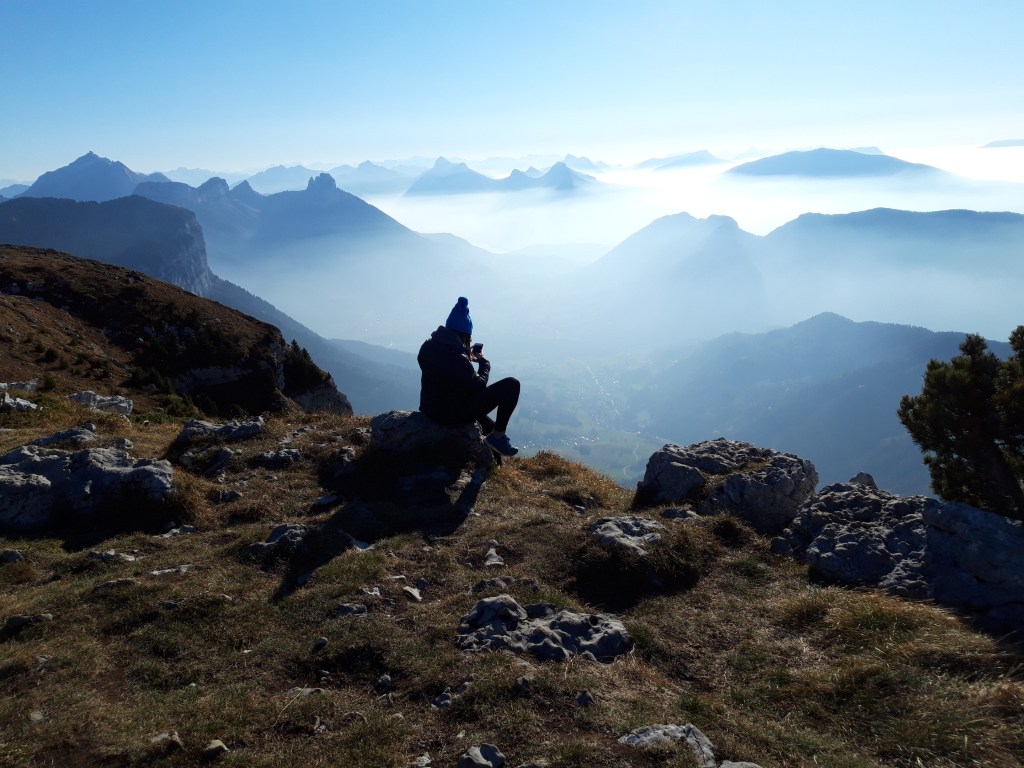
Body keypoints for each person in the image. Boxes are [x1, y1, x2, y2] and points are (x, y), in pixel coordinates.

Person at [418, 296, 521, 456]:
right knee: (512, 385)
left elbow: (448, 375)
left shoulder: (428, 347)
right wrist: (483, 363)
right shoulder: (457, 357)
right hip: (449, 414)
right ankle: (498, 438)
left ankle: (493, 458)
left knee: (488, 427)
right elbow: (478, 387)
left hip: (430, 408)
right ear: (465, 335)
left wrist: (465, 355)